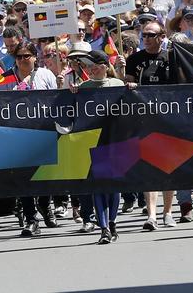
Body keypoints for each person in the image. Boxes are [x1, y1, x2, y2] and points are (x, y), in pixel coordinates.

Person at [0, 41, 57, 237]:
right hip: (15, 132)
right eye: (19, 57)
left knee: (43, 177)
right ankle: (31, 219)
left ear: (35, 57)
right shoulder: (5, 77)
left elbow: (56, 99)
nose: (23, 60)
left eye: (27, 56)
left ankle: (44, 205)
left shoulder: (46, 75)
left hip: (42, 130)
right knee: (23, 178)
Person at [124, 21, 177, 230]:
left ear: (161, 36)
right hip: (143, 118)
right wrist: (128, 81)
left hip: (167, 118)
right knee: (149, 165)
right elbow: (127, 82)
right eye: (143, 35)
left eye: (150, 35)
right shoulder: (134, 59)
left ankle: (168, 212)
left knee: (167, 165)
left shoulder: (171, 58)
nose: (145, 38)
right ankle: (152, 215)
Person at [74, 50, 124, 244]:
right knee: (98, 187)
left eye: (95, 64)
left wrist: (133, 87)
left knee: (114, 187)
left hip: (116, 142)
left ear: (105, 65)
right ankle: (103, 229)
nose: (92, 68)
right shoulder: (83, 87)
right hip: (93, 142)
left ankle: (112, 223)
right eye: (88, 65)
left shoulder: (117, 84)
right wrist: (68, 90)